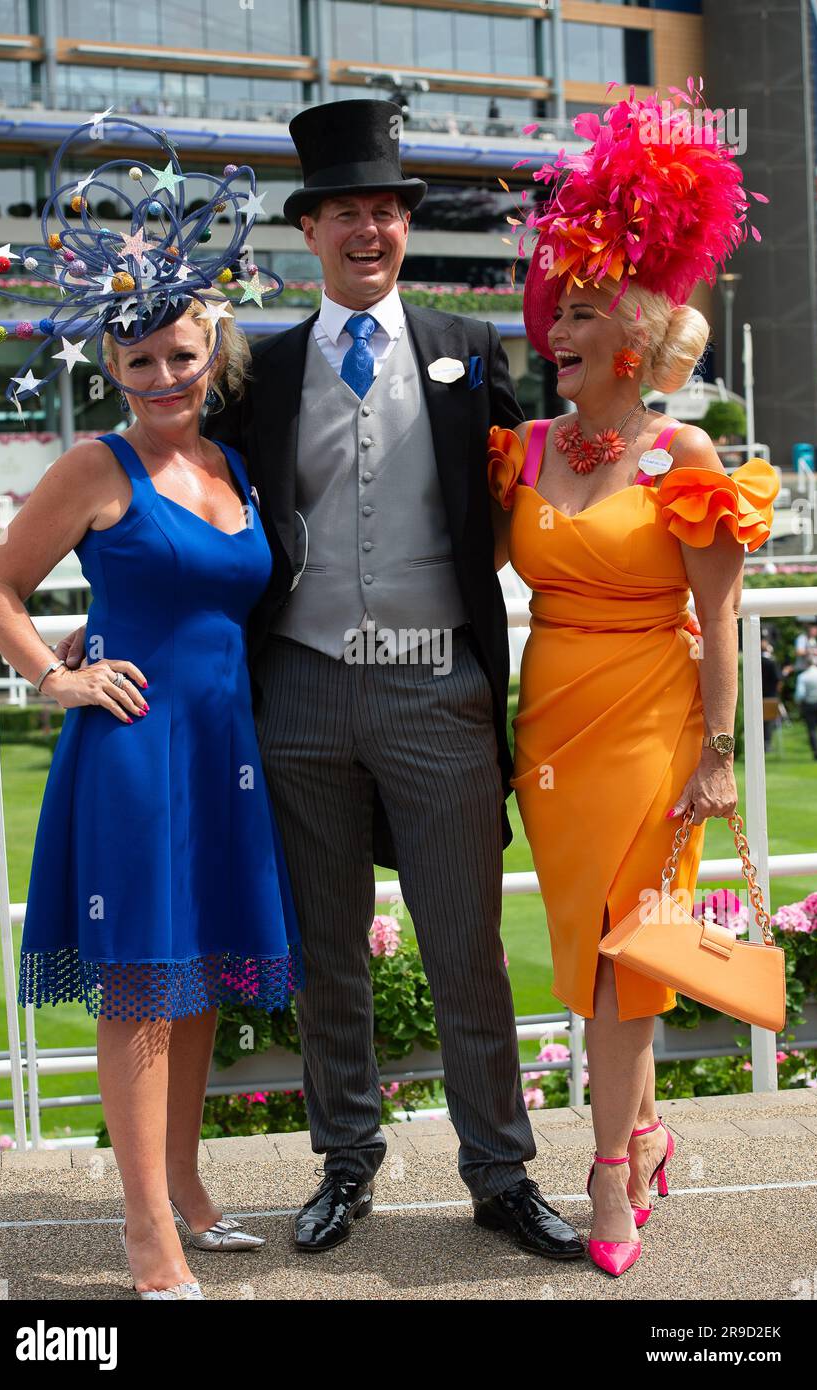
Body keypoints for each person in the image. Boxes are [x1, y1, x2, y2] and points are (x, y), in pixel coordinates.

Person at [205, 98, 584, 1261]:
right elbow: (190, 499)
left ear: (402, 226)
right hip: (303, 687)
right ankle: (345, 1160)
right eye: (346, 213)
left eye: (386, 210)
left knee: (466, 939)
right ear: (308, 230)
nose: (369, 229)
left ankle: (501, 1173)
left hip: (437, 683)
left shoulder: (470, 349)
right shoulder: (253, 371)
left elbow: (553, 467)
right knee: (328, 945)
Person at [0, 117, 301, 1299]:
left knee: (199, 971)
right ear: (111, 370)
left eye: (181, 357)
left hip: (223, 752)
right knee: (141, 988)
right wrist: (57, 674)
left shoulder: (233, 470)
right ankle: (146, 1227)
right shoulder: (96, 468)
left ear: (214, 353)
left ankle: (189, 1186)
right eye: (141, 363)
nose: (165, 379)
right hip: (132, 751)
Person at [489, 79, 778, 1277]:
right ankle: (645, 1130)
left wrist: (717, 754)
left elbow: (719, 617)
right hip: (548, 719)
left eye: (582, 310)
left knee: (627, 948)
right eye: (553, 310)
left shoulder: (685, 454)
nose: (552, 329)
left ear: (638, 332)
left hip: (654, 722)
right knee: (589, 950)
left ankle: (607, 1174)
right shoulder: (521, 446)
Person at [795, 653, 817, 759]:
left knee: (812, 729)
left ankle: (816, 752)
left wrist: (798, 703)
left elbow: (800, 694)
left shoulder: (803, 676)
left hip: (809, 704)